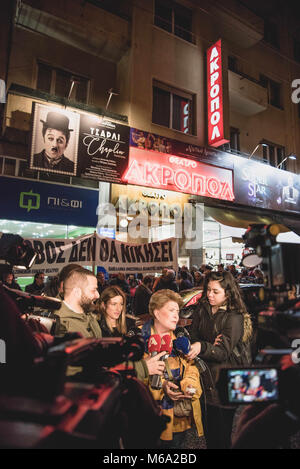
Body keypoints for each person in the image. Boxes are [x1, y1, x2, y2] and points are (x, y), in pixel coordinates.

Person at [187, 271, 253, 449]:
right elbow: (193, 336)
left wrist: (203, 347)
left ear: (228, 292)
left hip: (226, 381)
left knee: (222, 434)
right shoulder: (202, 308)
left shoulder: (234, 316)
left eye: (215, 291)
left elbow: (222, 352)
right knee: (210, 432)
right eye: (208, 290)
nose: (209, 295)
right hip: (206, 379)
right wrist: (208, 345)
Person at [141, 289, 204, 448]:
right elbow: (135, 378)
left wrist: (188, 385)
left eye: (177, 311)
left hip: (178, 420)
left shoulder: (181, 339)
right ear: (156, 313)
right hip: (150, 418)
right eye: (171, 310)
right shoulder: (140, 339)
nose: (177, 315)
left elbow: (191, 368)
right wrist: (162, 386)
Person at [97, 286, 166, 380]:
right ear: (104, 305)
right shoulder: (96, 328)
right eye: (114, 304)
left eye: (121, 304)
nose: (118, 308)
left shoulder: (131, 324)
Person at [54, 267, 101, 338]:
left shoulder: (89, 315)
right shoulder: (60, 325)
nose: (98, 295)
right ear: (77, 292)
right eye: (93, 290)